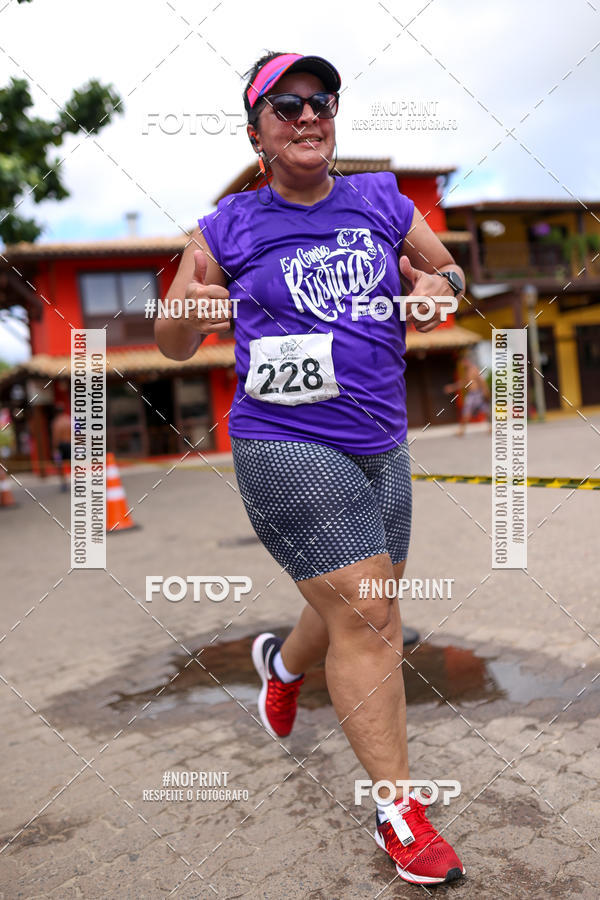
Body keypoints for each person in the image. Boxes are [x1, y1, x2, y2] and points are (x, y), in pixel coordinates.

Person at [156, 50, 467, 886]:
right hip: (284, 443)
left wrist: (440, 287)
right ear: (257, 130)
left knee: (357, 608)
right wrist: (183, 314)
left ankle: (281, 665)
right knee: (368, 613)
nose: (307, 116)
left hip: (382, 443)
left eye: (319, 101)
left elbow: (444, 269)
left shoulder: (379, 201)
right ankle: (399, 812)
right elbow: (175, 338)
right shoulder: (226, 226)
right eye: (285, 105)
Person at [444, 357, 491, 436]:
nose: (462, 365)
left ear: (466, 362)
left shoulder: (473, 369)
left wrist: (485, 391)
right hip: (471, 395)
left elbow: (481, 380)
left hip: (477, 394)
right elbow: (464, 383)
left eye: (462, 363)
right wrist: (452, 387)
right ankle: (462, 430)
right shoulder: (466, 371)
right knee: (467, 411)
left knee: (486, 411)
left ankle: (491, 427)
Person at [51, 403, 71, 492]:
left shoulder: (57, 422)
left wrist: (54, 448)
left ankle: (64, 484)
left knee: (60, 465)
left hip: (61, 445)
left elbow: (56, 437)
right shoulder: (69, 420)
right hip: (71, 443)